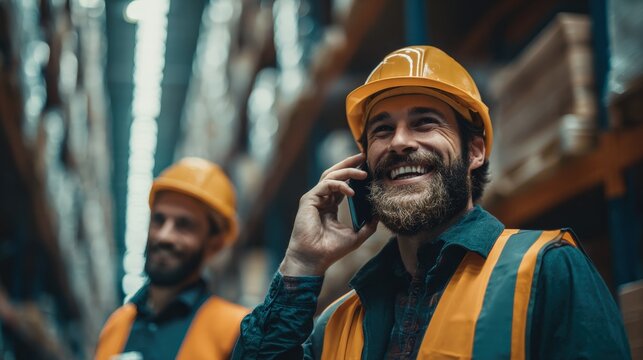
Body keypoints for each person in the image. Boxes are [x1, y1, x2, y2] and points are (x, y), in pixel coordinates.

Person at [233, 46, 632, 359]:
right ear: (363, 164)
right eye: (382, 130)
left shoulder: (547, 270)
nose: (400, 142)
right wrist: (302, 264)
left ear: (474, 151)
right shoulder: (337, 323)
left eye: (425, 122)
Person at [96, 158, 249, 360]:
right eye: (159, 220)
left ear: (215, 243)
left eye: (184, 225)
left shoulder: (235, 328)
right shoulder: (117, 324)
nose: (164, 236)